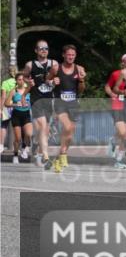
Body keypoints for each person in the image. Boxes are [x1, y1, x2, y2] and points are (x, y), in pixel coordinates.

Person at [49, 44, 86, 173]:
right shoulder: (55, 68)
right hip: (60, 102)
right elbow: (46, 82)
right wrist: (52, 82)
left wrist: (81, 81)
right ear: (63, 55)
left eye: (73, 55)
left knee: (70, 134)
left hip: (74, 103)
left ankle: (61, 155)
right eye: (68, 54)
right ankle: (62, 155)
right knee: (67, 127)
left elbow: (81, 91)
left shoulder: (79, 69)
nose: (70, 57)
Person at [23, 39, 57, 168]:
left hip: (49, 99)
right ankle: (46, 157)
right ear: (36, 50)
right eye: (41, 48)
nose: (44, 50)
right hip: (36, 99)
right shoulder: (30, 65)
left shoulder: (54, 64)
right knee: (43, 126)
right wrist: (28, 82)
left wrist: (55, 81)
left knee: (45, 130)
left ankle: (36, 143)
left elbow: (58, 77)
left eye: (46, 48)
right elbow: (24, 76)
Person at [105, 54, 126, 168]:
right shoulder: (116, 74)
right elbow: (107, 86)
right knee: (124, 133)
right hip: (117, 105)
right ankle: (115, 142)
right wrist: (112, 94)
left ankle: (118, 159)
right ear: (123, 62)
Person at [6, 72, 32, 164]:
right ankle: (16, 155)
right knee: (18, 138)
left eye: (22, 79)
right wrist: (15, 104)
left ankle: (25, 148)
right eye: (19, 80)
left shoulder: (28, 90)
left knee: (28, 134)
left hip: (26, 115)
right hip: (16, 115)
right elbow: (6, 103)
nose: (21, 81)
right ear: (16, 81)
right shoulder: (13, 91)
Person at [1, 67, 15, 157]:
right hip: (17, 106)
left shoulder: (5, 83)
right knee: (17, 126)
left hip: (6, 106)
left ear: (8, 73)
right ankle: (16, 146)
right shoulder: (21, 82)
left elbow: (3, 97)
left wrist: (0, 108)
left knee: (3, 126)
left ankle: (1, 146)